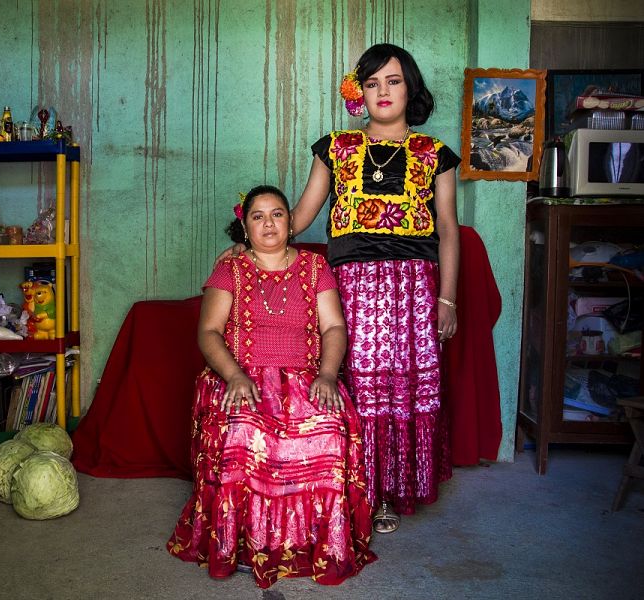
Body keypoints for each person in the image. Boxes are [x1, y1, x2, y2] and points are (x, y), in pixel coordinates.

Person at [217, 44, 460, 534]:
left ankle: (393, 490)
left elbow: (449, 230)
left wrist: (447, 299)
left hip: (413, 289)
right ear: (359, 94)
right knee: (359, 389)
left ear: (409, 86)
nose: (383, 92)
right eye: (372, 83)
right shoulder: (335, 149)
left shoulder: (435, 155)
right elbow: (300, 217)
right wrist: (243, 245)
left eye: (392, 81)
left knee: (404, 388)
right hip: (351, 287)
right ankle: (357, 489)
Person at [167, 185, 376, 589]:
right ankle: (243, 545)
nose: (268, 223)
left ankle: (319, 542)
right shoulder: (229, 270)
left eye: (278, 214)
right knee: (244, 429)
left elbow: (334, 326)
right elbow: (208, 332)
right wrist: (235, 376)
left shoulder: (316, 267)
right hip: (241, 373)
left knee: (328, 429)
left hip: (305, 375)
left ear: (290, 222)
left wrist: (328, 375)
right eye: (258, 216)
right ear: (244, 226)